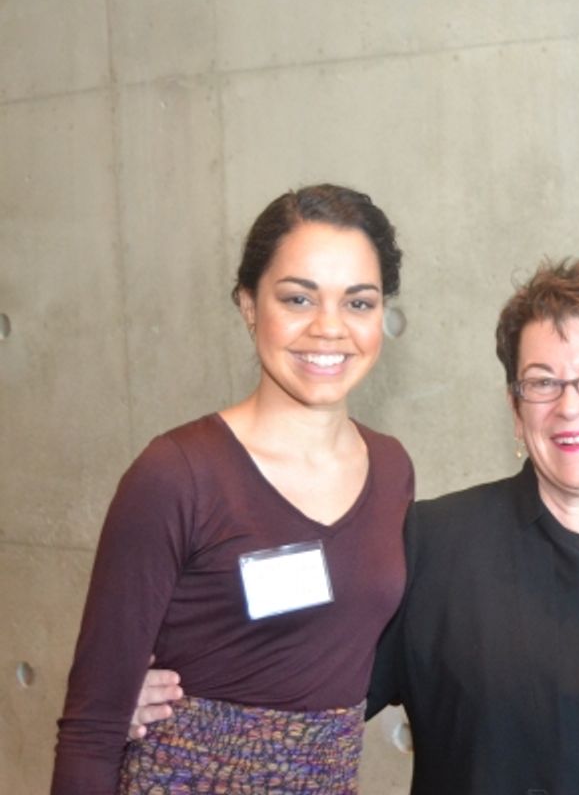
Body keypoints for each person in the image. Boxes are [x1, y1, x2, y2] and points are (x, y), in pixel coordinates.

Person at [52, 184, 414, 793]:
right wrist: (124, 702)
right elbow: (90, 728)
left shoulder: (392, 468)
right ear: (248, 305)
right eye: (298, 298)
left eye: (358, 303)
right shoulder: (175, 475)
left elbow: (342, 658)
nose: (329, 329)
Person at [367, 258, 579, 794]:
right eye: (543, 383)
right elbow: (320, 695)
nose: (570, 407)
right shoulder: (432, 544)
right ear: (516, 410)